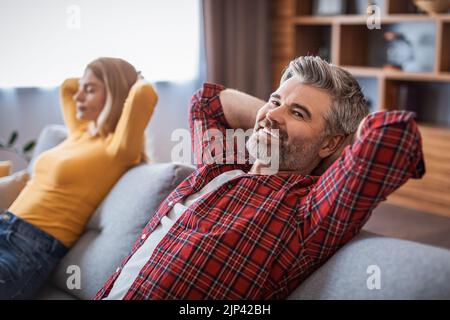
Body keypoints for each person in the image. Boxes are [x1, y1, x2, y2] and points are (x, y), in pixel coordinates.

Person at [95, 56, 425, 300]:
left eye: (299, 113)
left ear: (331, 143)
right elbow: (207, 102)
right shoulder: (223, 167)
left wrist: (319, 145)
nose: (273, 113)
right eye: (275, 100)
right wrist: (273, 120)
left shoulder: (305, 211)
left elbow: (393, 138)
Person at [0, 57, 158, 299]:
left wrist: (131, 80)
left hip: (28, 249)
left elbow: (144, 95)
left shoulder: (117, 150)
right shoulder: (81, 133)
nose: (78, 97)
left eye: (90, 90)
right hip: (5, 226)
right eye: (83, 88)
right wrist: (92, 81)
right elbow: (67, 87)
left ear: (115, 96)